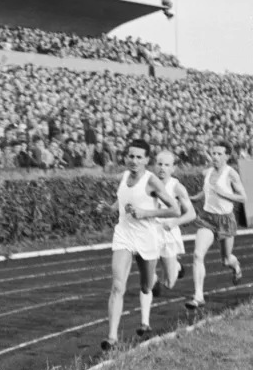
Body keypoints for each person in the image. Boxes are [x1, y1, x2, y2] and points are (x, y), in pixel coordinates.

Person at [96, 139, 179, 351]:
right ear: (126, 157)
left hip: (147, 237)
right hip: (124, 234)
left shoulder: (152, 181)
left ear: (146, 160)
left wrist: (145, 213)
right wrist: (109, 208)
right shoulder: (125, 176)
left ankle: (153, 283)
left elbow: (175, 209)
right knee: (117, 286)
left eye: (139, 157)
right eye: (131, 156)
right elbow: (123, 201)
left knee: (145, 286)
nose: (134, 160)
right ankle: (112, 337)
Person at [136, 150, 196, 337]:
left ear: (173, 168)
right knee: (146, 281)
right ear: (154, 165)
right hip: (149, 233)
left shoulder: (177, 187)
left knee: (170, 283)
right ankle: (145, 322)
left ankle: (176, 266)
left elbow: (191, 214)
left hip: (168, 234)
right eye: (159, 164)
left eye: (166, 165)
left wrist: (175, 222)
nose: (162, 168)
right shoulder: (145, 182)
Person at [185, 141, 247, 310]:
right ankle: (198, 296)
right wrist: (194, 198)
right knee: (197, 255)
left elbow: (243, 198)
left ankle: (236, 267)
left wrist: (224, 194)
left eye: (219, 154)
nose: (215, 157)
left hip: (225, 220)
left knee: (226, 260)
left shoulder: (231, 174)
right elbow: (206, 191)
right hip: (207, 219)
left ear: (227, 156)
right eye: (213, 153)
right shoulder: (208, 172)